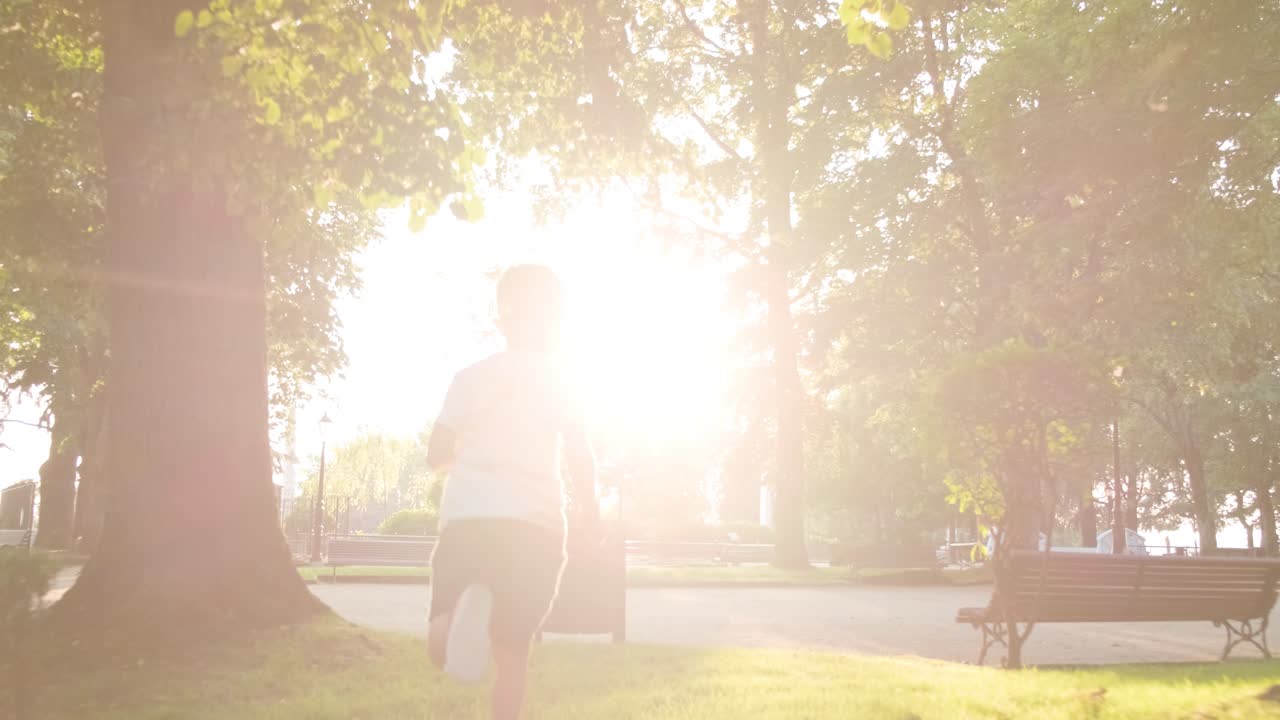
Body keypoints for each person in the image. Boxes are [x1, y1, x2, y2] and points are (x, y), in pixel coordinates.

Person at [425, 264, 597, 720]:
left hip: (468, 520)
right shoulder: (563, 380)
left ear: (502, 321)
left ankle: (454, 617)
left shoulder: (469, 377)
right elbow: (580, 454)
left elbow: (436, 452)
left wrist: (471, 464)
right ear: (557, 321)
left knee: (441, 640)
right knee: (512, 652)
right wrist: (590, 514)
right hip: (532, 526)